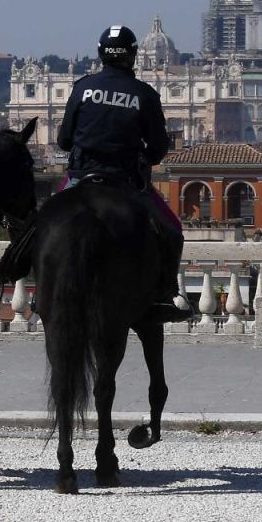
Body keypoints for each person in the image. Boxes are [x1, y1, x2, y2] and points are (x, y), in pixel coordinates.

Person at [55, 24, 189, 323]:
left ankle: (43, 291)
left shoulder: (82, 87)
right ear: (133, 55)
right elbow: (157, 147)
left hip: (81, 175)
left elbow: (64, 140)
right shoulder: (145, 94)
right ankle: (166, 294)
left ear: (101, 54)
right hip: (124, 181)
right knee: (172, 230)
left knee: (41, 224)